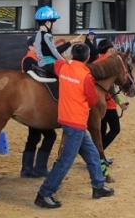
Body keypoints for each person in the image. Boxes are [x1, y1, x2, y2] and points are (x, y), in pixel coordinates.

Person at [34, 43, 114, 208]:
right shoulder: (86, 76)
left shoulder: (63, 67)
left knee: (92, 153)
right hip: (76, 122)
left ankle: (98, 186)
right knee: (65, 161)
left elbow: (57, 63)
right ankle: (44, 193)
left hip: (66, 119)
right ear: (87, 58)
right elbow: (93, 100)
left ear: (72, 55)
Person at [20, 34, 75, 178]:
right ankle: (39, 167)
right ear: (31, 47)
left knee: (33, 137)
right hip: (36, 104)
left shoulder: (36, 57)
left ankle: (27, 168)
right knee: (49, 135)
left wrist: (70, 43)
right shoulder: (29, 60)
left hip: (36, 104)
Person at [95, 39, 129, 174]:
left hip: (97, 104)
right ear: (109, 50)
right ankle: (98, 156)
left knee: (100, 131)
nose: (114, 50)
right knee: (115, 129)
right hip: (108, 103)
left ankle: (99, 156)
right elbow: (111, 88)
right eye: (112, 48)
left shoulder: (96, 62)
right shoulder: (110, 64)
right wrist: (120, 102)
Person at [32, 5, 66, 82]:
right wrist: (64, 61)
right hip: (48, 63)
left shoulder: (38, 34)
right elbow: (54, 52)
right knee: (68, 76)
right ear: (47, 23)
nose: (53, 26)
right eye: (52, 23)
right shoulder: (47, 36)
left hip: (40, 63)